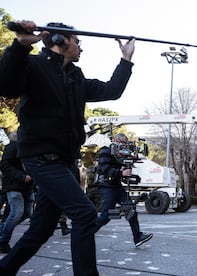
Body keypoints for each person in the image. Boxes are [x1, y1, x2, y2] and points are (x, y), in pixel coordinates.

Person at [0, 20, 135, 275]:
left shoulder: (75, 77)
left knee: (40, 230)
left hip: (65, 162)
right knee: (85, 214)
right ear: (61, 42)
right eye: (77, 42)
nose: (81, 49)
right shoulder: (33, 66)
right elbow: (5, 84)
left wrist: (126, 60)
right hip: (41, 159)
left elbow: (111, 90)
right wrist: (19, 46)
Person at [95, 133, 153, 247]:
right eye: (123, 144)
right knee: (106, 215)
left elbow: (122, 166)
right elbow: (104, 169)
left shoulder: (119, 155)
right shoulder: (105, 151)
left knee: (130, 209)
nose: (125, 148)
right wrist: (121, 172)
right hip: (107, 186)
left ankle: (138, 237)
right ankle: (87, 232)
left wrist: (130, 163)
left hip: (116, 185)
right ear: (116, 141)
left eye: (126, 145)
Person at [0, 132, 35, 253]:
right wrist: (21, 176)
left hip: (27, 187)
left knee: (26, 213)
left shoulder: (29, 148)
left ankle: (2, 230)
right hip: (15, 185)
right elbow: (4, 165)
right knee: (16, 213)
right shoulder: (12, 147)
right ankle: (3, 241)